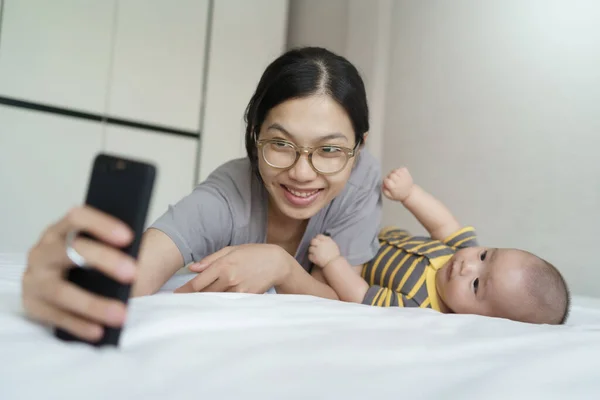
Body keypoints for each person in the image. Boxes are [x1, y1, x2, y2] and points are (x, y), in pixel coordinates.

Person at [21, 47, 383, 341]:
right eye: (280, 143)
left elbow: (344, 299)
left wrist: (280, 266)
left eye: (330, 150)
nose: (302, 173)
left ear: (359, 146)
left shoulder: (361, 179)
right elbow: (138, 270)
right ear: (256, 137)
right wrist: (69, 279)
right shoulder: (227, 196)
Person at [309, 167, 571, 325]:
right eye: (484, 256)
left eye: (477, 285)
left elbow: (362, 295)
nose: (467, 266)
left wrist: (333, 262)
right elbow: (443, 224)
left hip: (346, 259)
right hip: (365, 230)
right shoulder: (460, 250)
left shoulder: (420, 307)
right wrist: (410, 194)